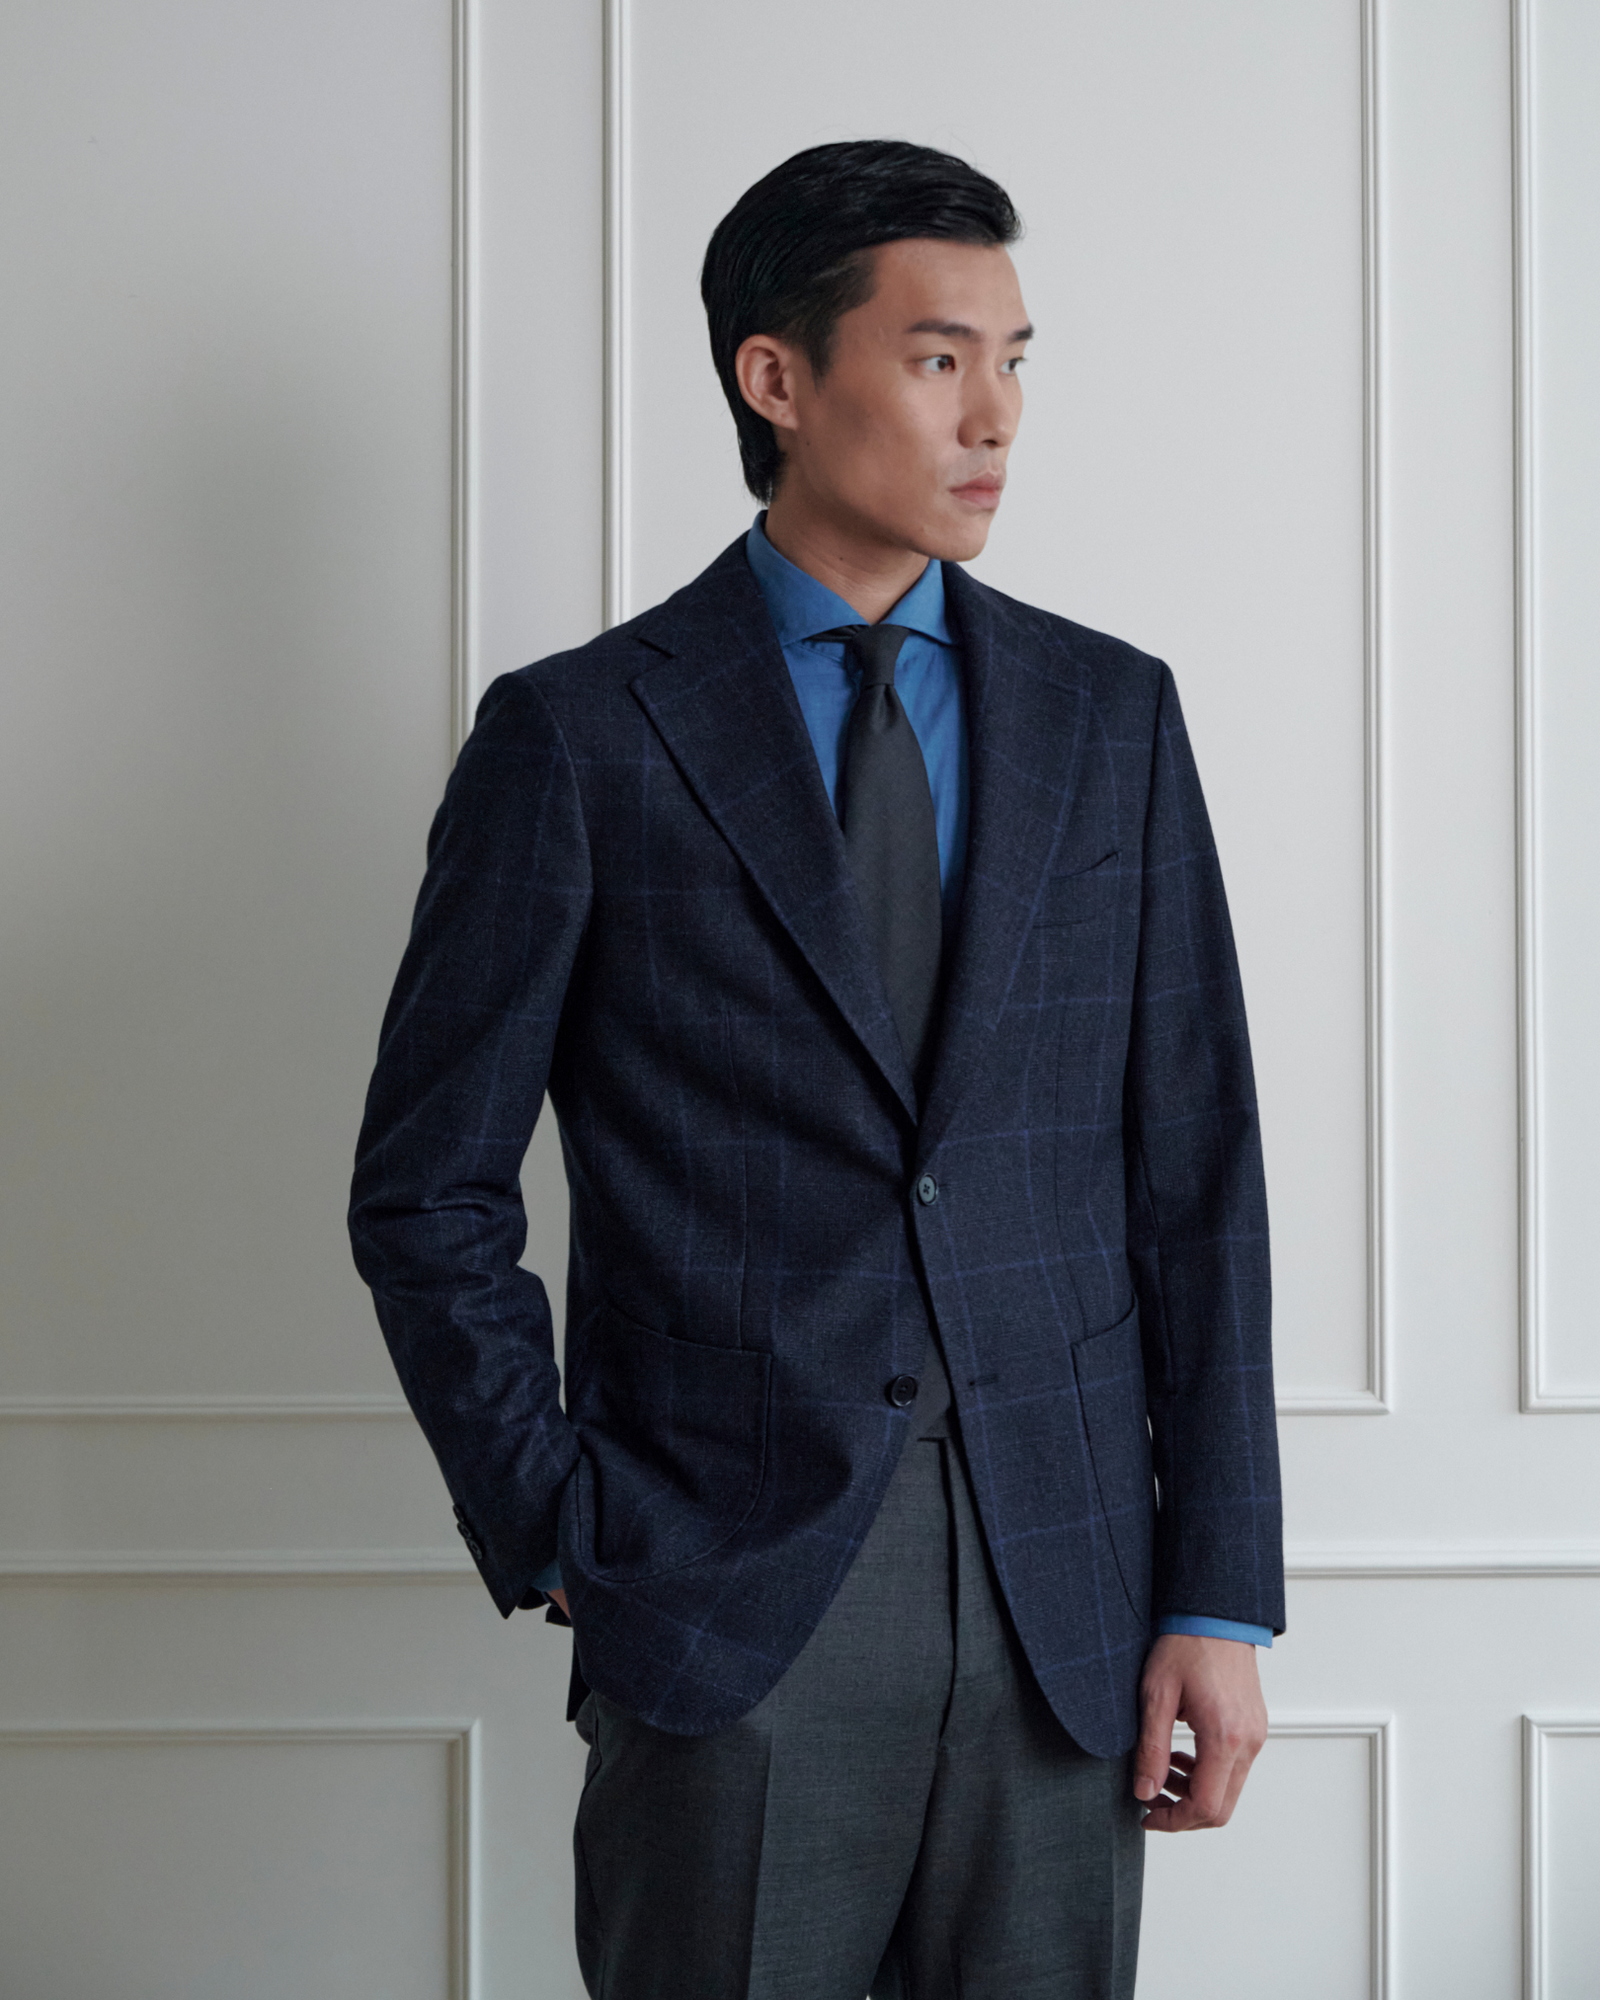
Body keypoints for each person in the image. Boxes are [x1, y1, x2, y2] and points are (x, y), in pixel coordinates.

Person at [350, 138, 1284, 2000]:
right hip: (724, 1597)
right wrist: (559, 1524)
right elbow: (429, 1188)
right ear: (776, 378)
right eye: (939, 359)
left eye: (1015, 360)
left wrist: (1216, 1592)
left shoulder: (1112, 714)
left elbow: (1195, 1175)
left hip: (1067, 1600)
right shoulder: (582, 737)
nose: (996, 416)